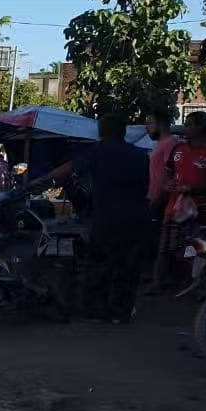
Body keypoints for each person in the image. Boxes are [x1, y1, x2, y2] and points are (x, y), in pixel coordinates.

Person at [74, 114, 152, 323]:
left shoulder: (97, 151)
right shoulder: (140, 155)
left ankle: (96, 311)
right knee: (128, 268)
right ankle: (120, 313)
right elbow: (147, 186)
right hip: (137, 218)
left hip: (107, 218)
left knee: (99, 264)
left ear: (102, 131)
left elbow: (71, 170)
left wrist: (44, 180)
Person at [163, 111, 206, 281]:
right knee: (167, 249)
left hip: (204, 212)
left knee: (198, 251)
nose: (185, 128)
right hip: (175, 210)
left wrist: (196, 188)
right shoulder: (177, 149)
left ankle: (197, 284)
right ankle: (164, 282)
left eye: (189, 124)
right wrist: (168, 184)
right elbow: (167, 174)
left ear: (201, 128)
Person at [146, 109, 182, 291]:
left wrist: (159, 198)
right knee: (155, 243)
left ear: (160, 124)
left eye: (149, 123)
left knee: (163, 245)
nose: (147, 128)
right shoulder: (160, 144)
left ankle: (162, 281)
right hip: (156, 200)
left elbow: (170, 175)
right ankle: (157, 278)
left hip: (164, 202)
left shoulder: (171, 143)